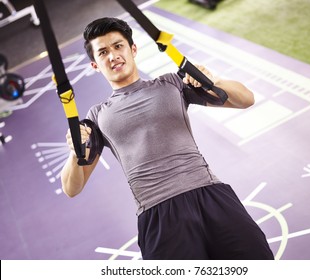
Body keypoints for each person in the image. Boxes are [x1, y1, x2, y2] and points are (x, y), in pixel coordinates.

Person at [61, 17, 274, 260]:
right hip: (158, 216)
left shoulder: (173, 84)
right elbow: (71, 188)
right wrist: (74, 150)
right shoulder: (96, 117)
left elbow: (245, 99)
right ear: (95, 65)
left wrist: (213, 80)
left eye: (118, 46)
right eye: (103, 52)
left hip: (210, 196)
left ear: (132, 49)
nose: (113, 56)